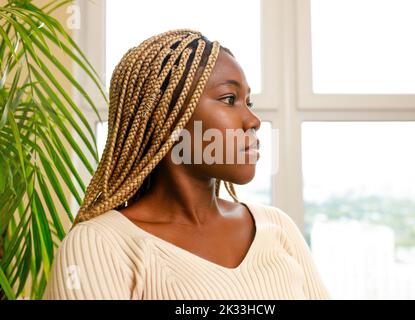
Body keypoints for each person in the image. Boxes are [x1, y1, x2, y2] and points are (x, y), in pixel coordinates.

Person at [43, 29, 329, 300]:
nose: (253, 121)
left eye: (248, 102)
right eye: (229, 99)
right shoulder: (99, 245)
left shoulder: (277, 228)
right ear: (166, 117)